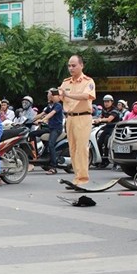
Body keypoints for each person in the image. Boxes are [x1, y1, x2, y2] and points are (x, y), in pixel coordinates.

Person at [57, 54, 96, 187]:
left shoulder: (88, 81)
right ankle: (77, 177)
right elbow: (61, 98)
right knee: (72, 148)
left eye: (73, 65)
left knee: (81, 148)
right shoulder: (66, 82)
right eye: (69, 65)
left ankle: (83, 179)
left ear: (81, 65)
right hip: (70, 117)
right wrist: (55, 95)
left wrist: (68, 94)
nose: (71, 68)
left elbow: (87, 96)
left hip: (83, 116)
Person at [36, 88, 64, 175]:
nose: (48, 96)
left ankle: (54, 167)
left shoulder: (58, 105)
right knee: (32, 133)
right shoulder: (50, 106)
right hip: (50, 128)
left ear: (53, 95)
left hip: (57, 129)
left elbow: (51, 114)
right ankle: (35, 156)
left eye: (49, 94)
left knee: (51, 144)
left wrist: (43, 120)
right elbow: (41, 114)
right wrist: (28, 121)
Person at [92, 94, 120, 168]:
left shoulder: (115, 110)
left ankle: (109, 160)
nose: (106, 103)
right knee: (99, 142)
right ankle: (101, 159)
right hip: (107, 128)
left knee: (107, 141)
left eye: (108, 101)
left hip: (114, 129)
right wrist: (94, 120)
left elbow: (108, 119)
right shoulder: (104, 110)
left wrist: (100, 120)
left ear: (112, 102)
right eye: (105, 102)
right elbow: (100, 117)